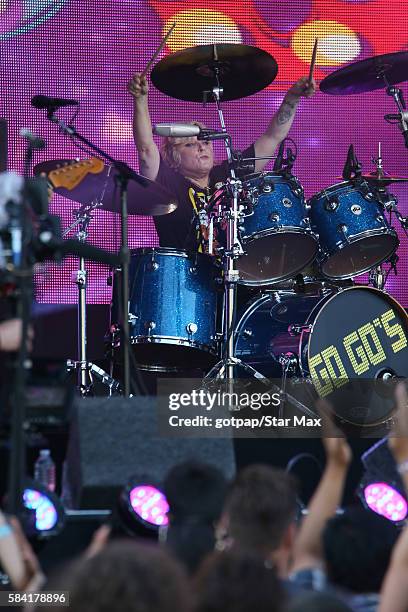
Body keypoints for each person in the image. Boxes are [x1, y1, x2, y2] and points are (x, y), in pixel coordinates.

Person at [128, 71, 316, 251]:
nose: (201, 147)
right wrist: (140, 99)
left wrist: (293, 97)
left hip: (230, 274)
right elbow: (145, 148)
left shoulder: (229, 174)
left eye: (205, 141)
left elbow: (272, 137)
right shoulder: (165, 181)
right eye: (189, 145)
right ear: (172, 156)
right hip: (182, 277)